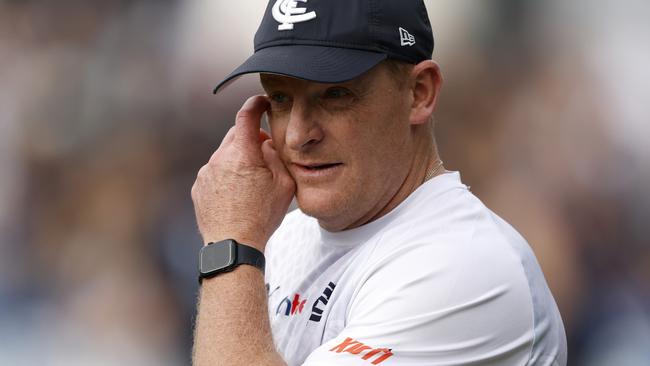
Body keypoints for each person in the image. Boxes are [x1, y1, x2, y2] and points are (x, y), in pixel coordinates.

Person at [190, 0, 567, 365]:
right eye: (281, 99)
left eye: (335, 94)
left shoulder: (469, 266)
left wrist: (231, 243)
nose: (297, 136)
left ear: (420, 92)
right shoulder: (279, 237)